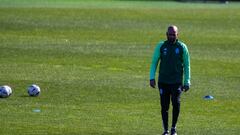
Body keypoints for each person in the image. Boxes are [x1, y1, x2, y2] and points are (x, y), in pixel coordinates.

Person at [149, 25, 191, 135]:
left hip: (176, 81)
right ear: (166, 34)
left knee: (176, 104)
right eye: (169, 34)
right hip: (163, 81)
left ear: (177, 35)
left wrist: (187, 81)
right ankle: (165, 130)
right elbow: (154, 62)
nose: (171, 36)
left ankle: (173, 128)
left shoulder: (182, 47)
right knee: (164, 106)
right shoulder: (161, 46)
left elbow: (187, 65)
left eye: (174, 34)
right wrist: (151, 77)